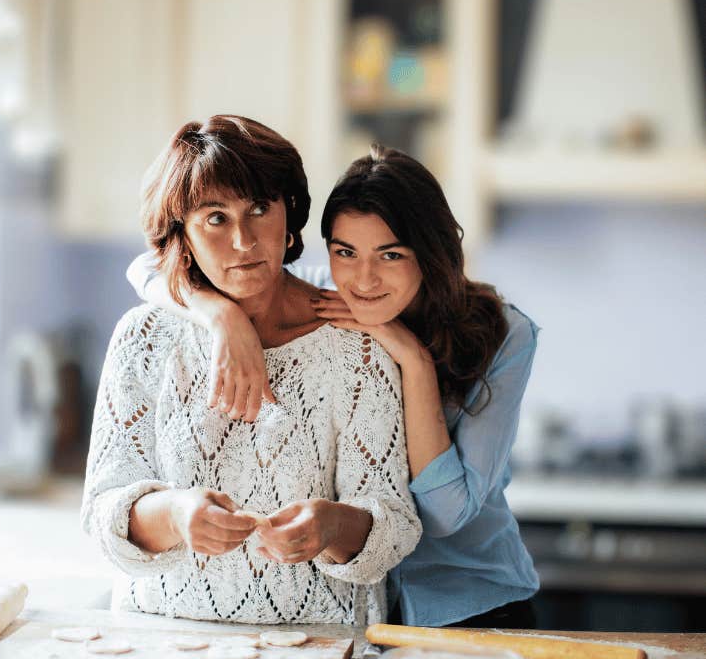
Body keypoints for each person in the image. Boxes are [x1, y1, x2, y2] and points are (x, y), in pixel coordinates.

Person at [130, 144, 540, 630]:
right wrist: (220, 316)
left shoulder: (503, 333)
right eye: (345, 251)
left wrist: (411, 357)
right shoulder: (325, 295)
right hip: (364, 608)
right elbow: (148, 269)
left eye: (391, 254)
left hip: (467, 601)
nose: (363, 279)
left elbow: (447, 515)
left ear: (431, 255)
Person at [82, 118, 420, 625]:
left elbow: (394, 526)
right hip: (160, 649)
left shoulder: (358, 345)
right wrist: (174, 514)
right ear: (184, 237)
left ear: (289, 220)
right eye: (215, 219)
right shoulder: (143, 338)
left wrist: (331, 527)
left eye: (259, 210)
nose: (243, 240)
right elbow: (102, 514)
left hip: (321, 648)